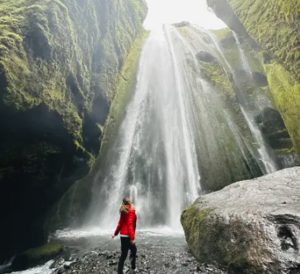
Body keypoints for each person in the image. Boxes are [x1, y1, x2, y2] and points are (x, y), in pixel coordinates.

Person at [112, 197, 137, 274]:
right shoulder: (131, 211)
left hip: (122, 235)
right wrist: (132, 238)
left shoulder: (123, 211)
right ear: (130, 202)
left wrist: (115, 234)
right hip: (128, 235)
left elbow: (120, 224)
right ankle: (133, 268)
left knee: (123, 254)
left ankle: (120, 272)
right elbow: (130, 225)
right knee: (134, 250)